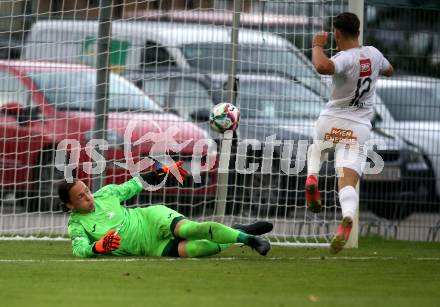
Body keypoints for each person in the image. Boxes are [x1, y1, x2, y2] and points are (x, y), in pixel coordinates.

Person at [306, 12, 394, 254]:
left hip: (331, 121)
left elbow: (323, 66)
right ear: (358, 31)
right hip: (358, 128)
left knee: (317, 149)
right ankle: (346, 217)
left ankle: (312, 177)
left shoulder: (344, 58)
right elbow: (390, 70)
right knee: (347, 181)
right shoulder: (374, 54)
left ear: (337, 33)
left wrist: (316, 46)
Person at [58, 160, 272, 258]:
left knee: (190, 231)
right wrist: (98, 247)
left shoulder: (105, 193)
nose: (88, 197)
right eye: (81, 196)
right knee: (199, 249)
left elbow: (134, 184)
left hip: (151, 219)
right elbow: (79, 249)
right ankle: (238, 230)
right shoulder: (76, 224)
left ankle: (249, 240)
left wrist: (162, 171)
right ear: (70, 205)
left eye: (86, 190)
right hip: (151, 248)